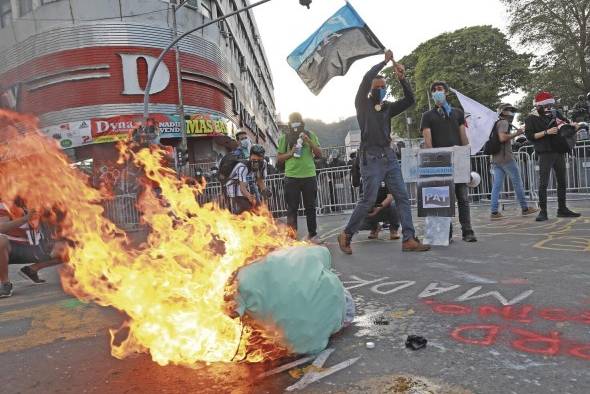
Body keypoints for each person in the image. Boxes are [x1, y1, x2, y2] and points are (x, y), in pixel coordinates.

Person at [338, 49, 429, 254]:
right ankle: (346, 234)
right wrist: (384, 62)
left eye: (383, 87)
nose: (380, 90)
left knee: (402, 197)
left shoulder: (388, 107)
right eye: (377, 87)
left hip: (388, 155)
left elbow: (409, 101)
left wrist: (402, 79)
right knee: (368, 200)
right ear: (370, 89)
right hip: (370, 156)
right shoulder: (362, 103)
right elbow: (366, 78)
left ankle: (408, 239)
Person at [421, 81, 477, 242]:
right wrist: (433, 157)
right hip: (440, 161)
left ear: (446, 92)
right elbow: (427, 139)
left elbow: (462, 135)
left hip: (458, 159)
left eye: (440, 89)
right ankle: (446, 232)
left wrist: (466, 154)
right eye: (434, 90)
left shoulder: (458, 113)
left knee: (463, 198)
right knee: (443, 199)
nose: (437, 92)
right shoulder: (427, 116)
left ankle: (467, 231)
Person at [524, 91, 581, 221]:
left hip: (558, 150)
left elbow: (566, 125)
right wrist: (546, 132)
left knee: (562, 181)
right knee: (543, 183)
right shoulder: (531, 118)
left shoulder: (555, 113)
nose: (549, 107)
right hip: (544, 152)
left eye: (550, 104)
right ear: (538, 106)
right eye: (546, 105)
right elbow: (530, 136)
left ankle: (562, 209)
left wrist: (573, 126)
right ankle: (543, 211)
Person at [0, 200, 66, 297]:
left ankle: (32, 269)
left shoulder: (36, 197)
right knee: (1, 240)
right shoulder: (4, 203)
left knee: (71, 248)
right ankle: (5, 284)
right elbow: (1, 228)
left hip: (36, 248)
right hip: (11, 249)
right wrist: (25, 218)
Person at [277, 112, 323, 243]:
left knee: (311, 207)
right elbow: (279, 158)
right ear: (289, 123)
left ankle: (312, 235)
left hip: (309, 176)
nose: (295, 123)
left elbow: (319, 154)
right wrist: (291, 153)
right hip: (291, 177)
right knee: (292, 209)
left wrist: (308, 141)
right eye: (293, 121)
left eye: (297, 120)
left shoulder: (311, 134)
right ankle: (292, 237)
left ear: (302, 121)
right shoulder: (284, 138)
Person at [490, 104, 540, 220]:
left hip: (497, 158)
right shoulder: (503, 123)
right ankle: (525, 208)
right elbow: (502, 138)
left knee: (496, 186)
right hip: (506, 158)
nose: (512, 113)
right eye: (510, 110)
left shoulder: (497, 123)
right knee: (518, 183)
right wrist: (517, 133)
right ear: (505, 112)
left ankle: (494, 212)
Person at [224, 144, 270, 215]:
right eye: (254, 160)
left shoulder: (263, 164)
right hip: (234, 185)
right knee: (246, 207)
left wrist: (264, 190)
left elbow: (259, 179)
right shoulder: (242, 166)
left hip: (248, 182)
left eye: (259, 159)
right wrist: (249, 196)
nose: (256, 162)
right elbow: (242, 188)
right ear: (250, 156)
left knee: (258, 206)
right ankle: (235, 220)